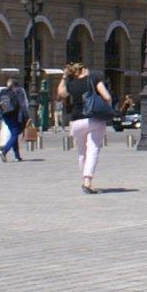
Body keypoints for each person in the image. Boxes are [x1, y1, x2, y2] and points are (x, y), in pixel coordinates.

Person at [56, 62, 112, 194]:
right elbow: (107, 96)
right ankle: (87, 181)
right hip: (93, 119)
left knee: (82, 153)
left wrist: (64, 77)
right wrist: (105, 107)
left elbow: (60, 93)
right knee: (93, 150)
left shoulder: (71, 83)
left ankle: (84, 180)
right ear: (84, 69)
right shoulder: (93, 79)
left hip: (76, 122)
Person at [0, 80, 31, 162]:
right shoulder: (19, 91)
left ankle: (17, 156)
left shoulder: (3, 91)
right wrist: (27, 117)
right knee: (15, 134)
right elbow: (23, 105)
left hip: (5, 115)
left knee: (13, 134)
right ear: (16, 84)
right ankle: (4, 151)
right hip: (15, 116)